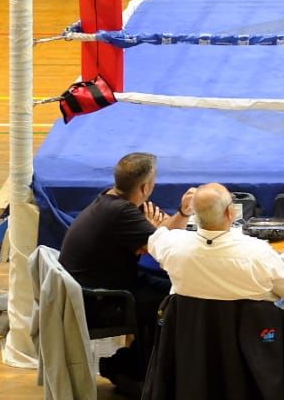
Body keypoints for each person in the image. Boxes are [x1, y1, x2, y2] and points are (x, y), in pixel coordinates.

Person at [58, 151, 188, 390]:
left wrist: (162, 228)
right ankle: (147, 376)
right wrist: (179, 217)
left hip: (92, 289)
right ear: (146, 187)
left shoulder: (108, 199)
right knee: (173, 301)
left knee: (169, 289)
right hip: (101, 300)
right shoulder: (122, 213)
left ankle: (134, 366)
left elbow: (152, 243)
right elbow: (164, 248)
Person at [146, 183, 284, 300]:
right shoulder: (259, 252)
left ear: (195, 213)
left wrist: (182, 213)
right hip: (250, 336)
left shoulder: (173, 245)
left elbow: (156, 236)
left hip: (192, 335)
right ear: (230, 212)